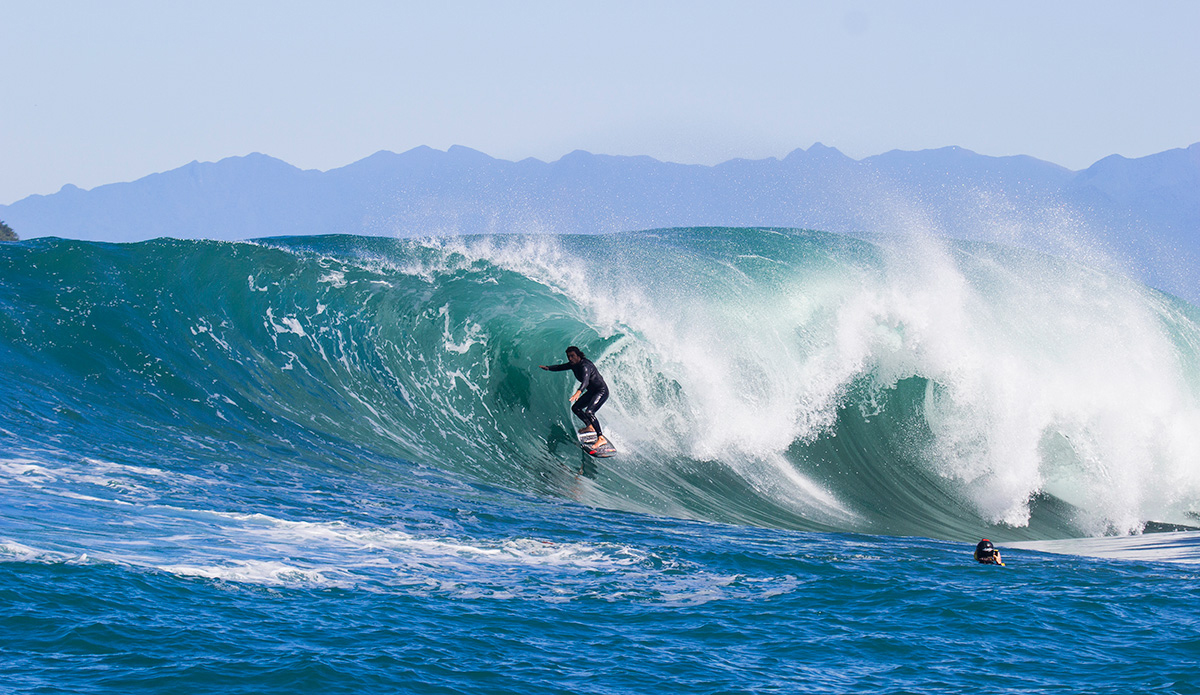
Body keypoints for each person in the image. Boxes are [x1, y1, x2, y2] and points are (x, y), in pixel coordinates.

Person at [540, 346, 610, 452]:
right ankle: (589, 426)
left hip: (601, 391)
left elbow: (585, 381)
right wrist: (548, 368)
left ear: (578, 355)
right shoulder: (574, 365)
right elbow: (560, 367)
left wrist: (579, 391)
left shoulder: (585, 366)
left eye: (572, 356)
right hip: (592, 392)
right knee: (576, 408)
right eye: (568, 356)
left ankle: (601, 437)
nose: (570, 359)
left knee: (589, 412)